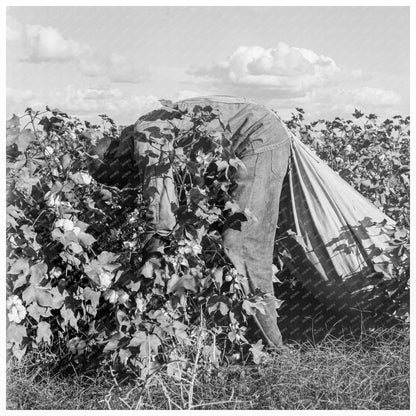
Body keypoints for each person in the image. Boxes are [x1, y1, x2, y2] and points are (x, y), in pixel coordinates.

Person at [88, 96, 291, 348]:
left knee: (242, 246)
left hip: (258, 137)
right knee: (217, 242)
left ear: (115, 158)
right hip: (244, 141)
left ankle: (274, 350)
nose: (127, 183)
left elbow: (161, 206)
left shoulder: (146, 136)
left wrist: (152, 258)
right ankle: (232, 338)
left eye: (121, 179)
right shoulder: (142, 131)